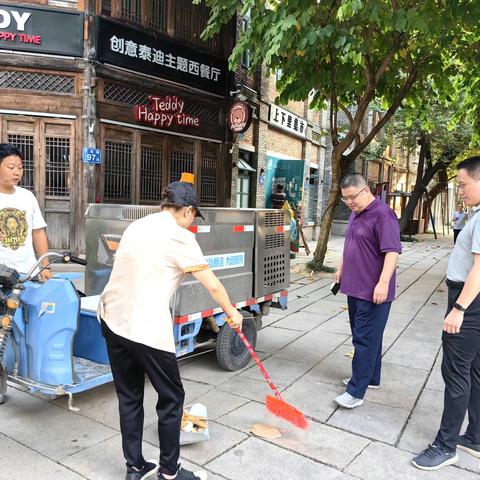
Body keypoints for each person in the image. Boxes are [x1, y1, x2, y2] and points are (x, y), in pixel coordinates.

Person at [98, 173, 243, 480]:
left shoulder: (138, 225)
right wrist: (233, 312)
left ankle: (135, 467)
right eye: (193, 217)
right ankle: (170, 472)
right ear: (187, 211)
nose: (192, 222)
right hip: (144, 327)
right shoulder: (180, 236)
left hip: (112, 319)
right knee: (172, 397)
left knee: (129, 395)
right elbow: (213, 285)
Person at [413, 156, 480, 471]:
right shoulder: (476, 215)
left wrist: (459, 308)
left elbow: (479, 269)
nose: (460, 190)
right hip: (473, 301)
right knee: (474, 370)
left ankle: (445, 445)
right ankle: (476, 436)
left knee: (455, 373)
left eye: (464, 184)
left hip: (469, 301)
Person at [334, 173, 401, 409]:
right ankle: (371, 378)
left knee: (364, 339)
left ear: (366, 191)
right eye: (345, 199)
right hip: (354, 286)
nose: (349, 202)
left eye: (352, 197)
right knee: (370, 336)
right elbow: (350, 243)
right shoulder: (356, 214)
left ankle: (355, 391)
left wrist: (383, 283)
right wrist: (341, 267)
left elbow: (392, 252)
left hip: (373, 290)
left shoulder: (383, 215)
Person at [0, 143, 51, 281]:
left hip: (28, 273)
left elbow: (38, 233)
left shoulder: (27, 196)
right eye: (11, 167)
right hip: (2, 275)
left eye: (20, 168)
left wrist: (45, 266)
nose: (17, 172)